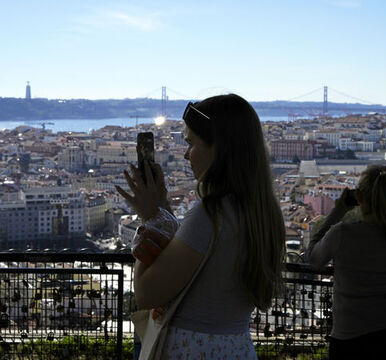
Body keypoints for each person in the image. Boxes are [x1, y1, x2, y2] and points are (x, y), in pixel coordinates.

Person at [116, 94, 285, 358]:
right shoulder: (264, 212)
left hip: (192, 349)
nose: (185, 154)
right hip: (237, 347)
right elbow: (197, 257)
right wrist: (163, 209)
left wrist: (151, 219)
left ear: (218, 148)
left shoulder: (211, 214)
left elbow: (147, 293)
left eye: (190, 142)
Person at [305, 165, 386, 359]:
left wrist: (337, 212)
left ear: (358, 196)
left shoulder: (342, 234)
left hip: (350, 338)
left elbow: (314, 260)